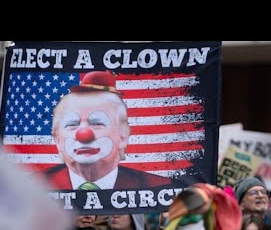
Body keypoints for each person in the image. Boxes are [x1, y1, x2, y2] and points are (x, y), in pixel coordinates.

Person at [41, 70, 173, 190]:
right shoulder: (35, 188)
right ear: (58, 140)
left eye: (97, 123)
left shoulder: (159, 187)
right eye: (72, 124)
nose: (84, 134)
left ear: (123, 136)